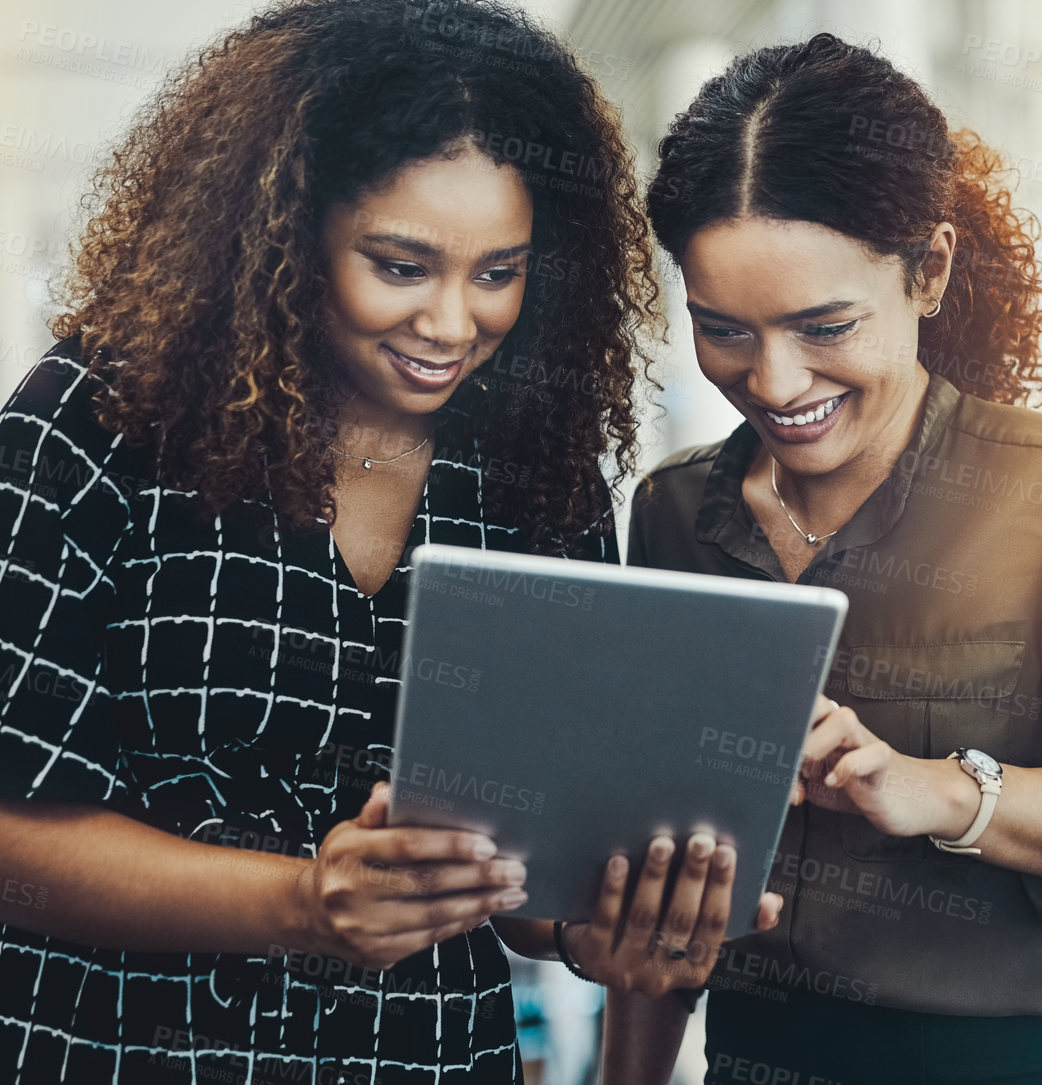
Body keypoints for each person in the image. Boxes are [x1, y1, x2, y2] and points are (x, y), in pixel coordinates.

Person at [0, 2, 771, 1081]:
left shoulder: (535, 479)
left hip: (428, 1056)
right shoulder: (96, 425)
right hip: (118, 1048)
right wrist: (303, 902)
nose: (453, 323)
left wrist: (599, 927)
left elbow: (528, 869)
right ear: (283, 227)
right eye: (402, 266)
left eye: (497, 273)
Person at [616, 33, 1042, 1085]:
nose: (772, 381)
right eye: (723, 330)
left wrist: (940, 789)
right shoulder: (675, 512)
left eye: (824, 325)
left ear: (929, 270)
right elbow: (663, 885)